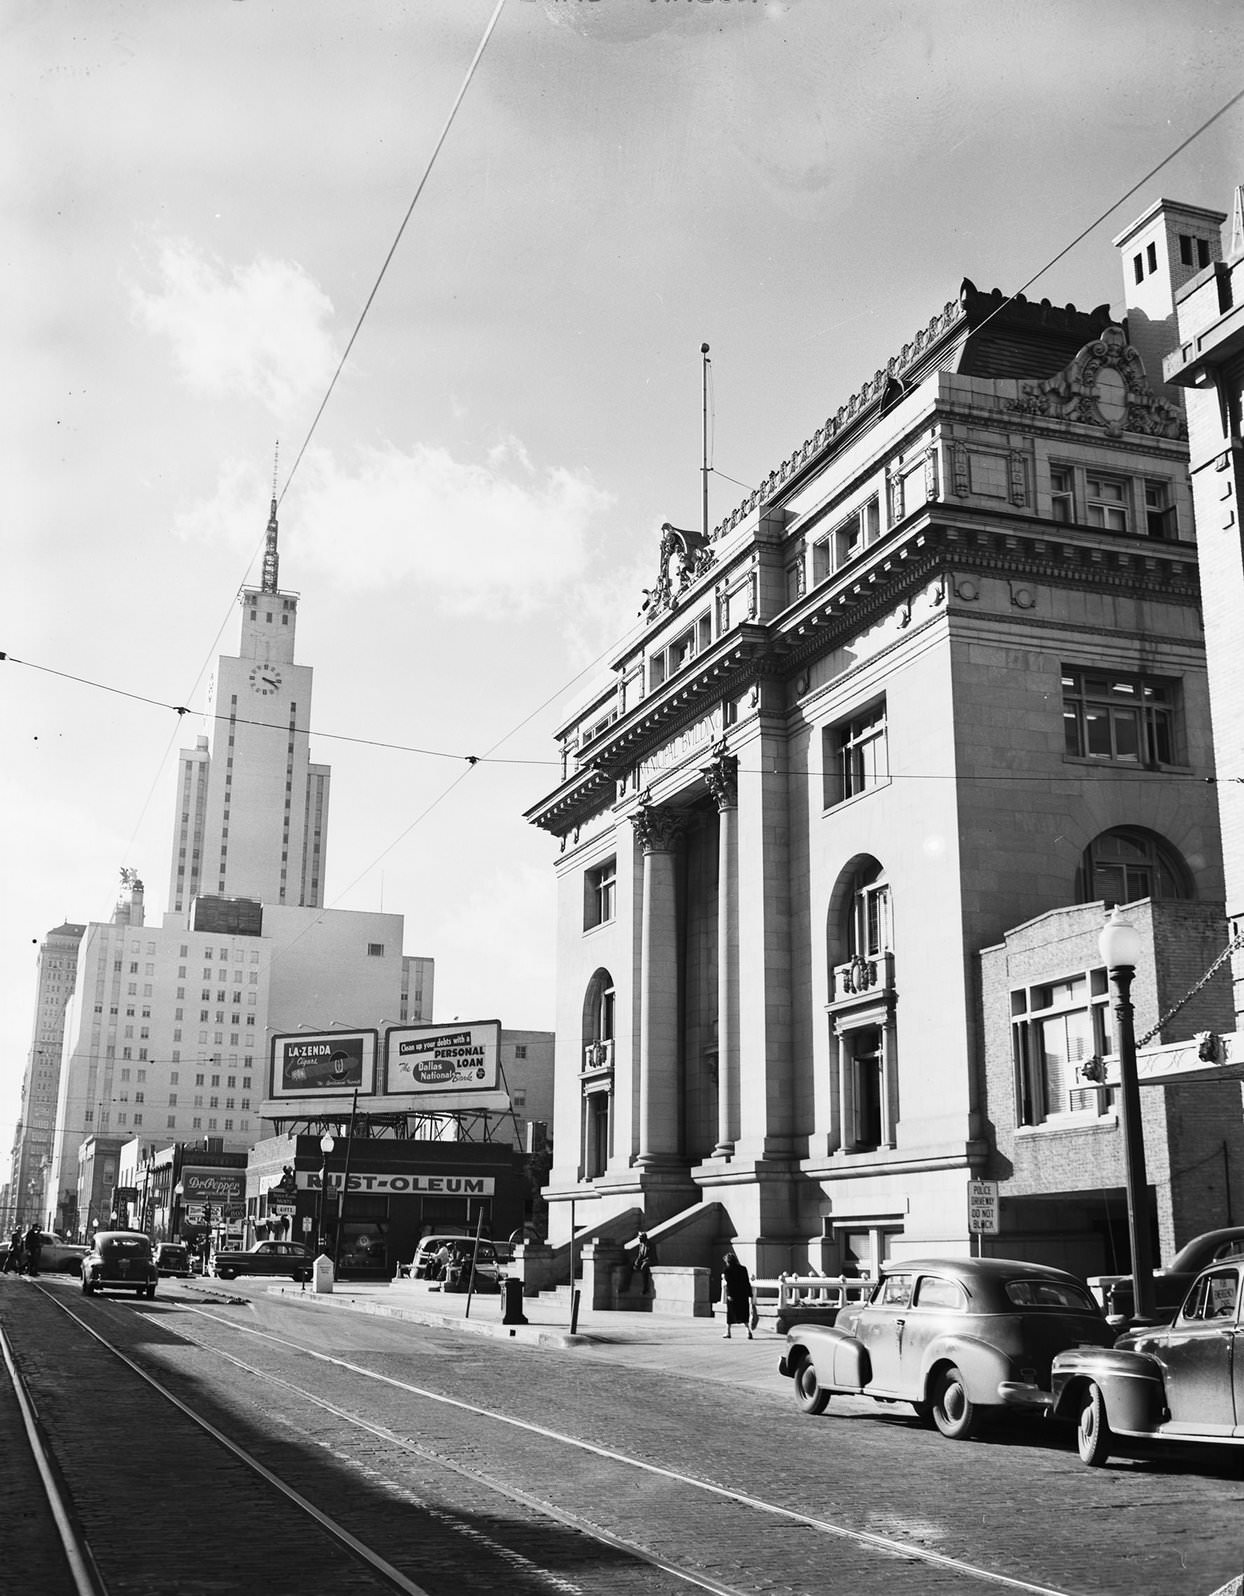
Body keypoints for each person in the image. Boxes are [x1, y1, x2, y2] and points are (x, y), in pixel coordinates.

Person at [721, 1250, 754, 1340]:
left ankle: (728, 1332)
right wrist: (750, 1294)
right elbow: (747, 1282)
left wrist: (729, 1294)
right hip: (743, 1295)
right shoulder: (743, 1269)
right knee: (744, 1314)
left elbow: (729, 1283)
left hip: (733, 1295)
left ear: (728, 1261)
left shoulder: (727, 1270)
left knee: (731, 1314)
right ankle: (748, 1331)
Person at [631, 1230, 657, 1296]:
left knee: (644, 1267)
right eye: (639, 1238)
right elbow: (640, 1255)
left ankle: (646, 1287)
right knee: (633, 1265)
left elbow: (652, 1255)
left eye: (641, 1238)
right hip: (644, 1260)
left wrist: (643, 1261)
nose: (640, 1240)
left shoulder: (651, 1244)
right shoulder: (641, 1245)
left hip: (651, 1260)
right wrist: (636, 1263)